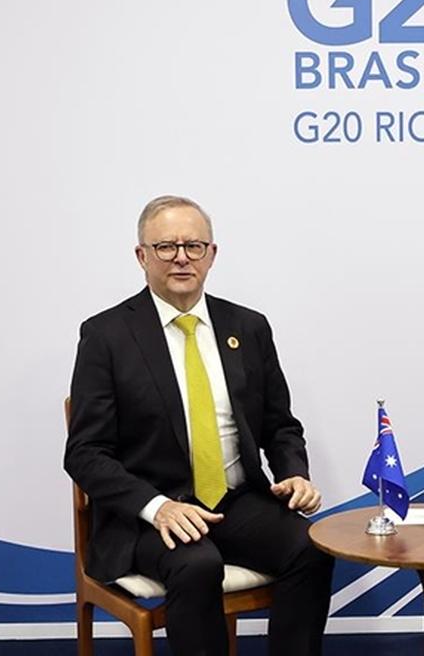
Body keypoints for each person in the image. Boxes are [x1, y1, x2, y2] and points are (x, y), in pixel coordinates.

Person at [65, 195, 333, 656]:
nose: (182, 257)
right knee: (197, 564)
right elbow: (85, 453)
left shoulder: (248, 327)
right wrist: (157, 507)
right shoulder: (106, 335)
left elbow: (280, 424)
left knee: (311, 547)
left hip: (235, 500)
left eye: (194, 245)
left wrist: (294, 472)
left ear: (212, 254)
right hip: (149, 516)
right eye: (167, 246)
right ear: (141, 256)